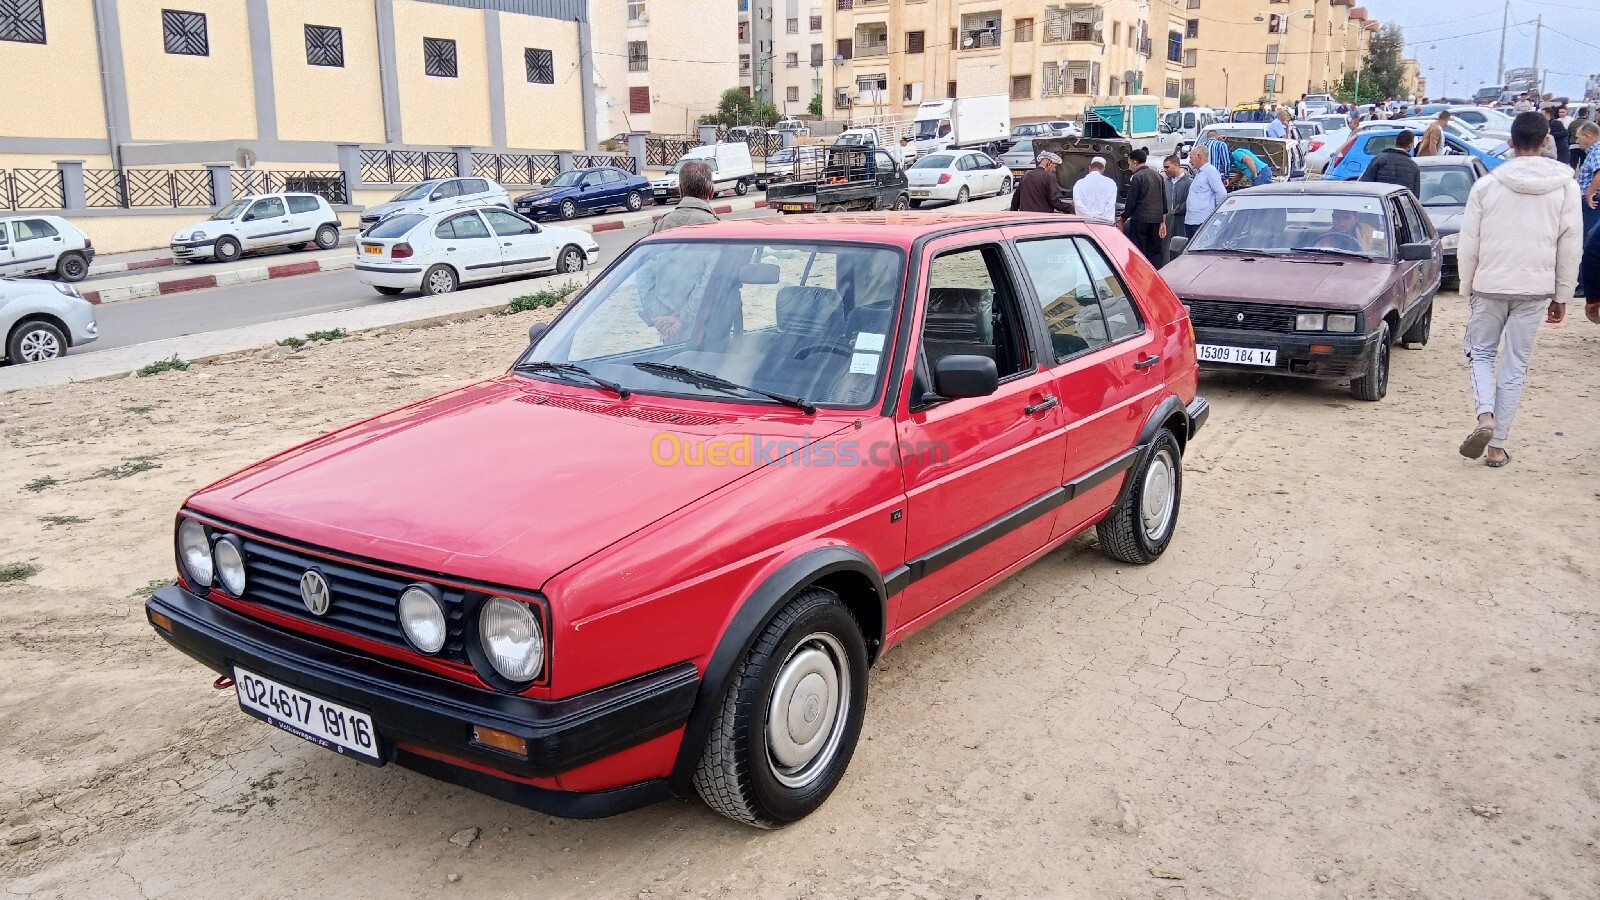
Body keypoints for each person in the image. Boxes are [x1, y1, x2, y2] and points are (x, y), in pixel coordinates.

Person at [1457, 112, 1584, 468]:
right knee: (1515, 364)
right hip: (1536, 286)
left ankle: (1485, 415)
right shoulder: (1566, 187)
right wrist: (1562, 295)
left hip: (1490, 284)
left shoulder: (1486, 185)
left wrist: (1467, 284)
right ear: (1546, 141)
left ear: (1510, 143)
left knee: (1480, 353)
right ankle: (1497, 447)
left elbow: (1469, 241)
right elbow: (1570, 246)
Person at [639, 161, 721, 340]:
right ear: (711, 191)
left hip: (666, 330)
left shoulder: (659, 227)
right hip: (705, 334)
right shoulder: (716, 230)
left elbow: (643, 276)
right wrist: (682, 319)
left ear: (680, 189)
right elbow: (709, 282)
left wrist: (660, 316)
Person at [1120, 148, 1168, 266]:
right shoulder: (1158, 176)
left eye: (1129, 162)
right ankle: (1156, 275)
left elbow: (1131, 202)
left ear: (1135, 162)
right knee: (1155, 252)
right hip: (1156, 221)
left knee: (1139, 251)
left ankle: (1140, 276)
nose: (1129, 166)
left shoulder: (1137, 177)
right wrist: (1163, 222)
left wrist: (1122, 219)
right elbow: (1164, 201)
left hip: (1140, 220)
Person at [1358, 129, 1421, 196]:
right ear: (1410, 145)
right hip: (1401, 204)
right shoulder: (1414, 166)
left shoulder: (1379, 159)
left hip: (1379, 203)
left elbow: (1365, 183)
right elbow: (1415, 195)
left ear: (1395, 142)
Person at [1184, 144, 1227, 237]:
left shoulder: (1210, 171)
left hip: (1202, 220)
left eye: (1191, 157)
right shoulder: (1200, 173)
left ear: (1199, 156)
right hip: (1191, 220)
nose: (1190, 161)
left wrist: (1216, 215)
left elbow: (1221, 193)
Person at [1162, 154, 1192, 259]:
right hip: (1166, 222)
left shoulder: (1189, 182)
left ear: (1176, 165)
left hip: (1181, 221)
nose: (1165, 170)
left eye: (1167, 167)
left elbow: (1191, 201)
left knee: (1180, 248)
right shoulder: (1165, 182)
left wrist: (1179, 209)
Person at [1073, 156, 1118, 223]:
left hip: (1085, 223)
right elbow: (1110, 205)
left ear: (1089, 168)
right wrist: (1102, 219)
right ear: (1103, 169)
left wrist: (1091, 217)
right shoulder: (1111, 183)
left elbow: (1078, 204)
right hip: (1105, 224)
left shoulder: (1079, 183)